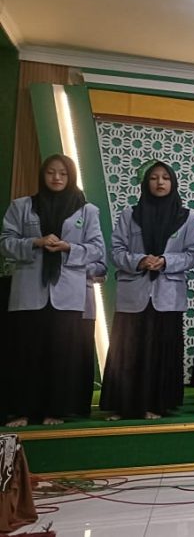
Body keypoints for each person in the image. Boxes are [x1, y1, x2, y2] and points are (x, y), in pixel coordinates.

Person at [1, 154, 105, 427]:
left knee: (61, 354)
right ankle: (23, 411)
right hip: (29, 292)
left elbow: (97, 249)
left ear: (71, 177)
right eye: (51, 172)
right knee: (27, 353)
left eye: (63, 173)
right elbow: (5, 243)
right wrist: (35, 242)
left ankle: (55, 410)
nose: (56, 178)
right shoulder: (22, 206)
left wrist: (69, 247)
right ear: (42, 175)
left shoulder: (87, 211)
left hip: (67, 293)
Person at [101, 161, 194, 421]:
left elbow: (192, 255)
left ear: (172, 183)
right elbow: (116, 251)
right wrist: (139, 260)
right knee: (129, 350)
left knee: (161, 350)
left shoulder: (187, 217)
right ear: (146, 183)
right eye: (154, 178)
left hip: (167, 294)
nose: (159, 182)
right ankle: (124, 406)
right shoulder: (130, 214)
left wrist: (166, 261)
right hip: (134, 292)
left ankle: (157, 403)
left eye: (165, 177)